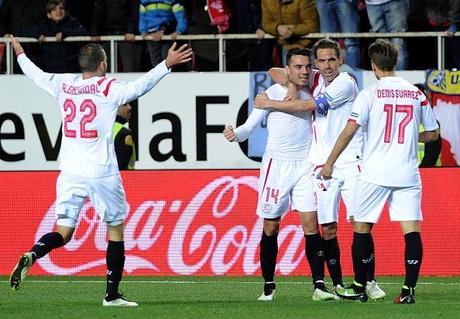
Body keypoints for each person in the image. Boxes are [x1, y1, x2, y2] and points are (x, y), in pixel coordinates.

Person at [8, 35, 192, 306]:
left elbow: (35, 74)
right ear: (103, 65)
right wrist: (166, 64)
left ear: (82, 65)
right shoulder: (109, 88)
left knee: (63, 231)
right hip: (101, 172)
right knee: (115, 230)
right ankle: (111, 294)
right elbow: (140, 87)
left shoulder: (64, 84)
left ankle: (34, 253)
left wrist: (20, 54)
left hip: (69, 171)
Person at [256, 38, 386, 300]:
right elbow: (275, 72)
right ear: (317, 63)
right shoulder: (314, 78)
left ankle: (369, 281)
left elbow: (308, 106)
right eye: (322, 61)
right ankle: (338, 285)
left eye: (332, 60)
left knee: (359, 223)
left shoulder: (346, 83)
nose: (327, 66)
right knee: (327, 228)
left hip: (349, 162)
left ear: (341, 60)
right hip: (320, 166)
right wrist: (291, 82)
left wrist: (270, 103)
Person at [319, 39, 439, 303]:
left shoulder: (369, 94)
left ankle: (359, 286)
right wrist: (410, 136)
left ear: (374, 66)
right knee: (411, 231)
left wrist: (329, 163)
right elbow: (432, 134)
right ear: (394, 63)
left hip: (375, 173)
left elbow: (349, 132)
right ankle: (408, 291)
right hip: (407, 173)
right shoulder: (416, 93)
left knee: (361, 228)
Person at [224, 48, 337, 302]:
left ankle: (319, 286)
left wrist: (293, 85)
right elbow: (249, 127)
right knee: (271, 226)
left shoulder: (316, 89)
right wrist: (235, 134)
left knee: (311, 225)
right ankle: (268, 286)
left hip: (305, 165)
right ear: (288, 69)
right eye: (298, 67)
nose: (304, 71)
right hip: (276, 167)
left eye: (308, 66)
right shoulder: (271, 94)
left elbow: (276, 71)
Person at [90, 0, 145, 72]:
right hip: (107, 35)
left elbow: (135, 10)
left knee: (130, 68)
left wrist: (131, 30)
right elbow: (98, 12)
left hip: (127, 36)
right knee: (104, 69)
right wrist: (95, 32)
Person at [35, 0, 87, 73]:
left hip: (71, 69)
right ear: (49, 14)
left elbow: (83, 32)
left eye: (61, 8)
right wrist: (37, 35)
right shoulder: (43, 25)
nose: (58, 11)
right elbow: (26, 32)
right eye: (54, 9)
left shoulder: (73, 22)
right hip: (50, 70)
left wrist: (65, 33)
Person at [261, 0, 319, 66]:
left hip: (307, 46)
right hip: (286, 47)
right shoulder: (267, 1)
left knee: (310, 75)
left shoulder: (304, 1)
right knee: (289, 75)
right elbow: (266, 25)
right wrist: (277, 28)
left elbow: (312, 27)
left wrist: (290, 30)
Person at [139, 0, 188, 68]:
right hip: (151, 36)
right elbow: (142, 17)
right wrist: (143, 31)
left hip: (168, 36)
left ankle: (168, 78)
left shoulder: (172, 1)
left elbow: (180, 16)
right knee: (155, 64)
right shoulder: (144, 1)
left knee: (168, 63)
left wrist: (179, 31)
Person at [315, 0, 361, 69]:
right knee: (326, 43)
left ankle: (353, 75)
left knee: (351, 41)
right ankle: (329, 73)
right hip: (323, 1)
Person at [365, 0, 409, 70]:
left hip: (395, 2)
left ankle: (399, 77)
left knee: (397, 41)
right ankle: (386, 77)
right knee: (381, 44)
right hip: (372, 4)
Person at [114, 102, 136, 170]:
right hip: (126, 179)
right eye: (124, 105)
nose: (129, 107)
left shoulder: (98, 129)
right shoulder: (124, 133)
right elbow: (123, 167)